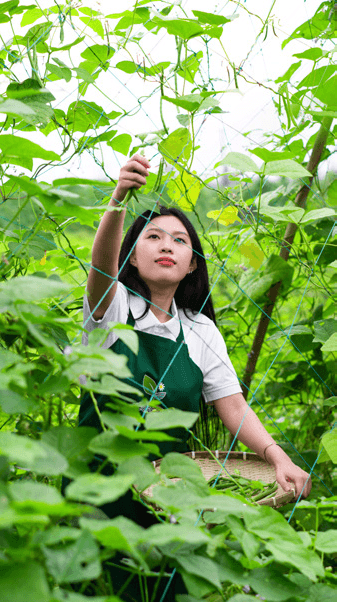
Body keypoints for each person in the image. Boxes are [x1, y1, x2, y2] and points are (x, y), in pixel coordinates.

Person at [65, 154, 311, 599]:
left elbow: (232, 405)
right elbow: (100, 270)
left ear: (192, 264)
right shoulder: (113, 309)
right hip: (95, 492)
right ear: (131, 257)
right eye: (153, 237)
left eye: (179, 240)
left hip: (167, 500)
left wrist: (278, 458)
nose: (167, 245)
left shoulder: (200, 330)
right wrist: (118, 199)